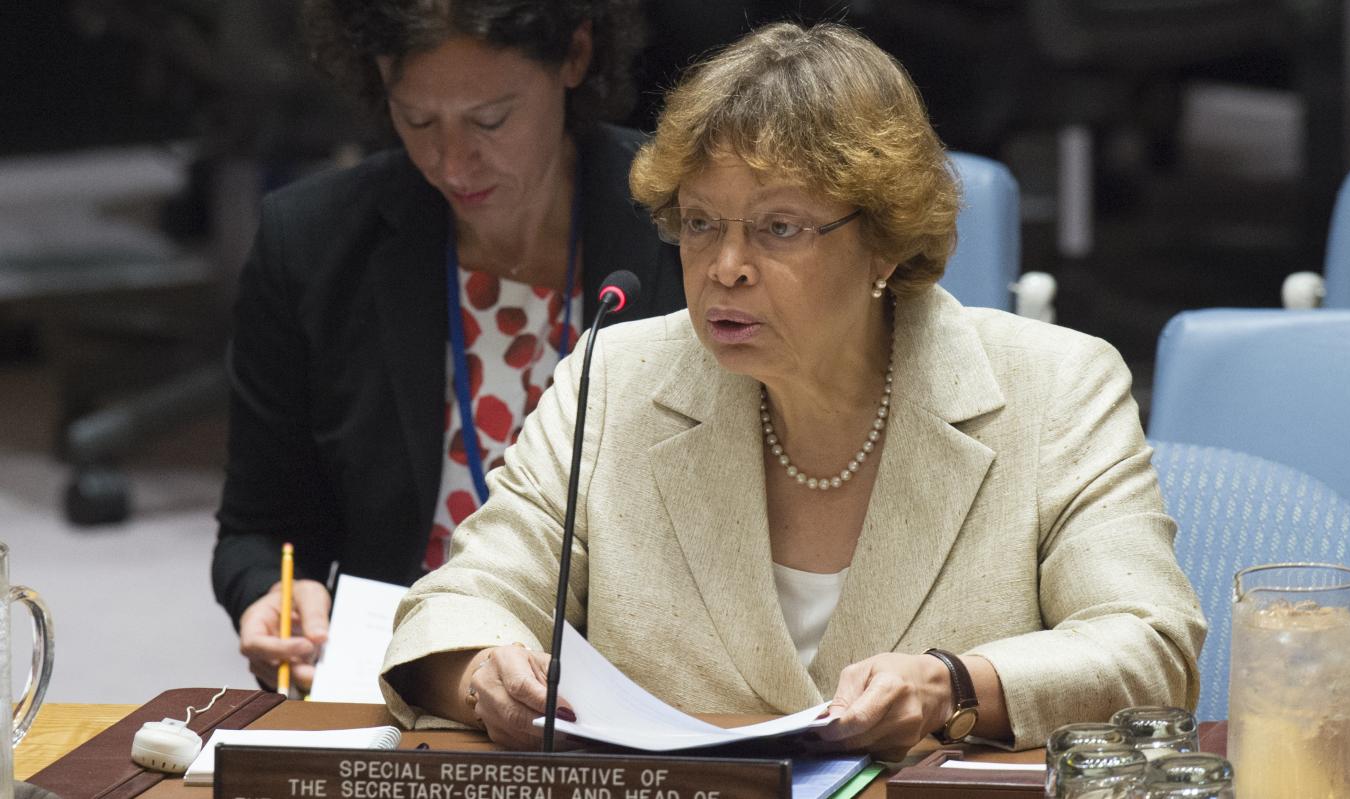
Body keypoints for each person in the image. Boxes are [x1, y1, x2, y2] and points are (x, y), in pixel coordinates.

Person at [380, 22, 1205, 758]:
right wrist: (483, 672)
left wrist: (956, 684)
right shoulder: (614, 381)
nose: (725, 267)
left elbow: (1148, 647)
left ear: (883, 240)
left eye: (778, 228)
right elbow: (458, 603)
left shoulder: (1054, 387)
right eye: (700, 223)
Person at [211, 0, 685, 693]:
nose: (453, 162)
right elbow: (260, 525)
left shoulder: (685, 224)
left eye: (490, 121)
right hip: (410, 678)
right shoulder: (312, 243)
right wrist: (272, 591)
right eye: (417, 120)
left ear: (576, 55)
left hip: (635, 683)